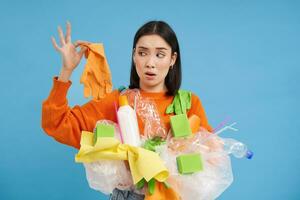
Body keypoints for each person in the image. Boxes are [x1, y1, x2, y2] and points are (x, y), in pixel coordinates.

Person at [42, 20, 213, 200]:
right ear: (134, 56)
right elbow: (56, 123)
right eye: (142, 53)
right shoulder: (118, 102)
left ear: (172, 59)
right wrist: (66, 71)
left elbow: (210, 157)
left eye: (160, 55)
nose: (150, 63)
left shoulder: (188, 104)